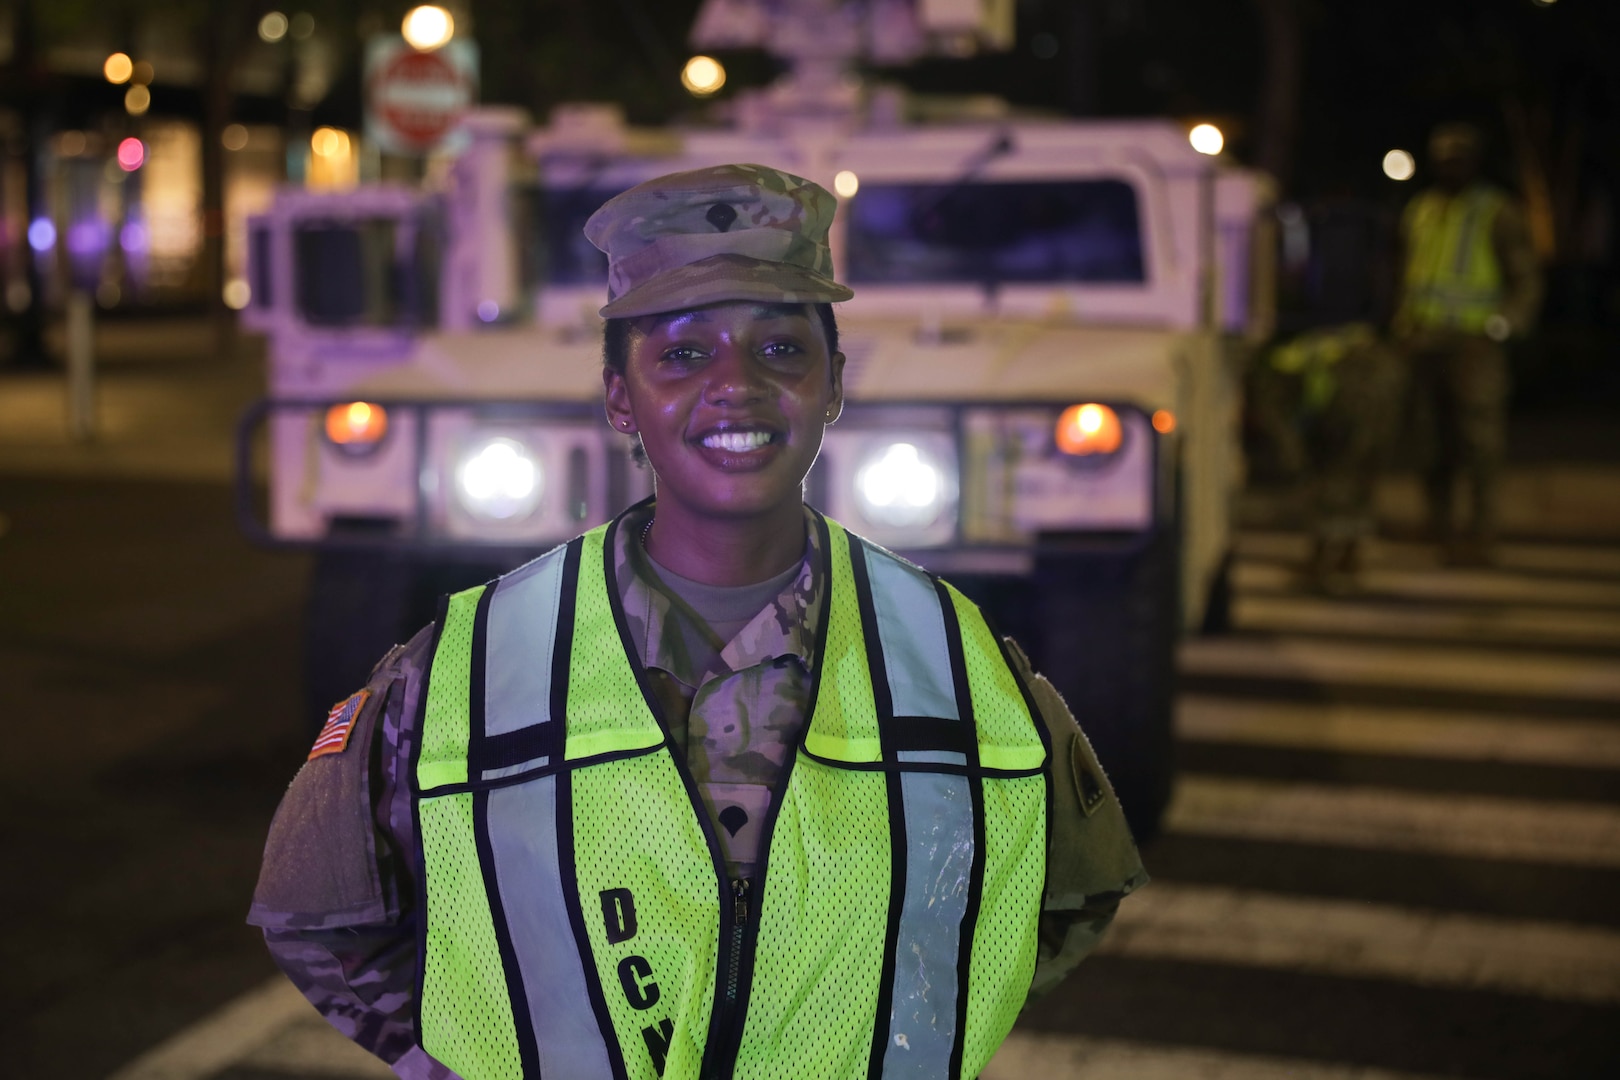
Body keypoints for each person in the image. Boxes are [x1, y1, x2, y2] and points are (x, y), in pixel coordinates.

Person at [249, 163, 1146, 1080]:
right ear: (618, 399)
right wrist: (475, 1056)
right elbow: (319, 916)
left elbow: (1069, 896)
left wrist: (914, 1023)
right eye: (682, 353)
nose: (736, 385)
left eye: (781, 350)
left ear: (834, 384)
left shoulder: (953, 658)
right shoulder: (472, 664)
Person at [1395, 123, 1543, 565]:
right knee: (1428, 441)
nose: (1448, 166)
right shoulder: (1421, 208)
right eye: (1442, 158)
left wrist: (1504, 325)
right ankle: (1437, 525)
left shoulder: (1495, 210)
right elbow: (1409, 273)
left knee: (1479, 443)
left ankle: (1481, 533)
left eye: (1457, 158)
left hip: (1474, 345)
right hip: (1424, 342)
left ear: (1474, 161)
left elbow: (1526, 277)